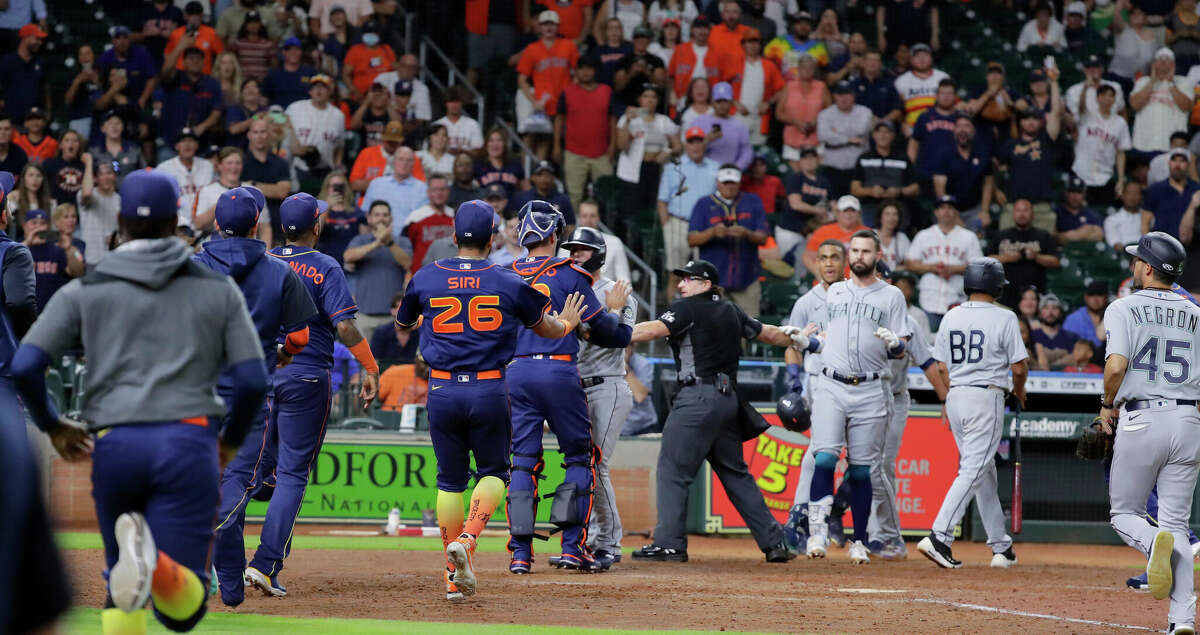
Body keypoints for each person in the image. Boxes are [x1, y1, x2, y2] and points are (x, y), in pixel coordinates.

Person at [11, 169, 269, 634]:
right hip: (189, 440)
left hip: (116, 444)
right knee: (182, 612)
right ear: (175, 223)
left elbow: (27, 364)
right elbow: (253, 381)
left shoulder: (86, 287)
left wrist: (53, 425)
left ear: (121, 225)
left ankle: (138, 562)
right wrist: (229, 444)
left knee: (120, 589)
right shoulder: (216, 287)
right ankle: (155, 564)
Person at [245, 192, 379, 597]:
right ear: (316, 226)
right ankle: (265, 564)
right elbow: (345, 326)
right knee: (291, 473)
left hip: (260, 373)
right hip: (305, 375)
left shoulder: (261, 261)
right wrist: (370, 366)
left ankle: (216, 558)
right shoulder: (324, 265)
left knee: (247, 471)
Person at [195, 187, 317, 608]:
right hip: (250, 397)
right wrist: (283, 354)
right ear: (256, 226)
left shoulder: (190, 267)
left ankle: (230, 588)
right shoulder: (280, 272)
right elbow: (300, 336)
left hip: (197, 393)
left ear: (216, 224)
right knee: (234, 486)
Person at [629, 258, 797, 563]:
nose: (681, 284)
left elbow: (653, 330)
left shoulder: (686, 308)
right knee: (736, 474)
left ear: (706, 284)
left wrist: (613, 330)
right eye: (681, 279)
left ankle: (669, 543)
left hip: (697, 398)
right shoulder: (732, 309)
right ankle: (775, 543)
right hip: (727, 401)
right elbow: (772, 335)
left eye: (688, 279)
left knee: (672, 470)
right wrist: (803, 338)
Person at [505, 202, 633, 573]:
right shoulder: (570, 274)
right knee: (579, 458)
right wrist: (616, 311)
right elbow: (610, 333)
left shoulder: (504, 274)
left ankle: (520, 555)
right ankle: (573, 547)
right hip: (559, 370)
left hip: (516, 372)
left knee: (522, 461)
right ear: (554, 235)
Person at [1099, 232, 1200, 633]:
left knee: (1125, 514)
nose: (1133, 265)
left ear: (1146, 268)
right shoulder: (1195, 311)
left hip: (1141, 417)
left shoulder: (1123, 306)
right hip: (1188, 419)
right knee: (1176, 524)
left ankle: (1153, 542)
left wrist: (1106, 404)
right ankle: (1182, 621)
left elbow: (1116, 366)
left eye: (1136, 260)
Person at [790, 230, 910, 564]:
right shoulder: (836, 292)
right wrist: (807, 343)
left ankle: (860, 540)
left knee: (860, 470)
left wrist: (895, 344)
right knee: (824, 459)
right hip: (831, 385)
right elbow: (828, 339)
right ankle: (817, 534)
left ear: (878, 255)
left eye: (865, 251)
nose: (859, 256)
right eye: (854, 251)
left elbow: (902, 346)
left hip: (871, 388)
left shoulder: (892, 296)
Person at [918, 257, 1027, 569]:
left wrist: (954, 392)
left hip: (956, 396)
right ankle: (939, 536)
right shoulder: (1005, 317)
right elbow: (1019, 368)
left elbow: (940, 366)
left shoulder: (951, 315)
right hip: (985, 396)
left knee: (982, 471)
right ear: (996, 286)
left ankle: (1001, 547)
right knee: (973, 470)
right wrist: (1019, 391)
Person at [559, 226, 637, 569]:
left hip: (609, 385)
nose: (575, 254)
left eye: (583, 249)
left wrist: (590, 323)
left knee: (596, 464)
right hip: (575, 386)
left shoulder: (617, 291)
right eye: (572, 249)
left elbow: (618, 338)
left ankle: (609, 542)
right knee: (581, 465)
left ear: (599, 254)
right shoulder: (566, 287)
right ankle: (588, 541)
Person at [780, 239, 843, 554]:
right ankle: (803, 519)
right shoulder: (806, 302)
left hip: (852, 383)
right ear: (816, 263)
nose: (829, 263)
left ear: (844, 262)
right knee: (820, 451)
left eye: (834, 257)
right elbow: (791, 345)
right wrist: (794, 380)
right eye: (823, 258)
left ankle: (816, 514)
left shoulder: (852, 296)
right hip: (817, 382)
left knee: (833, 454)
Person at [687, 164, 770, 317]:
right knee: (713, 325)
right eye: (725, 182)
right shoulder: (703, 204)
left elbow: (763, 238)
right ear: (718, 182)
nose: (729, 186)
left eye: (733, 182)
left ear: (739, 183)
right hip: (713, 280)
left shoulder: (752, 201)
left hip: (747, 277)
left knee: (750, 325)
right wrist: (712, 232)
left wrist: (747, 233)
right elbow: (692, 240)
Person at [905, 195, 984, 328]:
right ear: (936, 212)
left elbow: (979, 267)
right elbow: (910, 263)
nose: (946, 211)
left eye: (950, 208)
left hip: (958, 300)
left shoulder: (969, 237)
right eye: (942, 208)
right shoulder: (924, 235)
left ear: (956, 212)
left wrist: (953, 269)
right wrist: (933, 268)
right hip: (929, 299)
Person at [658, 127, 718, 287]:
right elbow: (662, 200)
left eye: (699, 141)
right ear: (685, 145)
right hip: (678, 224)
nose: (695, 146)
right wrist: (667, 226)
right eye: (691, 142)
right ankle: (674, 305)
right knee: (676, 276)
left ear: (705, 144)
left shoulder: (715, 168)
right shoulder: (673, 167)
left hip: (705, 228)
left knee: (705, 278)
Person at [516, 11, 580, 158]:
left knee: (559, 145)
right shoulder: (532, 49)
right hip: (542, 106)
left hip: (564, 105)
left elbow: (579, 72)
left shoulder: (568, 45)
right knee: (536, 142)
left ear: (558, 27)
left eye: (552, 24)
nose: (549, 28)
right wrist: (534, 101)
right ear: (539, 27)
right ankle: (531, 171)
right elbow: (521, 79)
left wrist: (572, 93)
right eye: (545, 24)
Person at [343, 201, 413, 334]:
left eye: (385, 215)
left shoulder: (402, 241)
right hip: (364, 314)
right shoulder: (360, 240)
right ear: (369, 218)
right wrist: (377, 243)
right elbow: (348, 256)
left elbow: (408, 263)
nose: (381, 218)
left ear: (391, 219)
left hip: (394, 315)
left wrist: (389, 242)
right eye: (377, 215)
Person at [555, 56, 615, 211]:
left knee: (606, 195)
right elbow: (559, 120)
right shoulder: (567, 92)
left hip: (602, 152)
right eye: (581, 68)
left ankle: (604, 225)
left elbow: (612, 120)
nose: (585, 72)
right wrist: (556, 146)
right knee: (574, 196)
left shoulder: (606, 91)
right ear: (576, 71)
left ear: (595, 71)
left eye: (589, 68)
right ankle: (574, 226)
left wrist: (613, 145)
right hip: (574, 152)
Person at [615, 85, 679, 225]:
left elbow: (678, 147)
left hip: (655, 169)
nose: (649, 100)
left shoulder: (664, 121)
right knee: (630, 214)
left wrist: (667, 152)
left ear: (658, 100)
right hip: (632, 171)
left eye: (653, 97)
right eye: (646, 96)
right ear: (639, 99)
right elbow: (622, 147)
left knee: (651, 211)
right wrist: (628, 121)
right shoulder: (628, 119)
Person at [990, 198, 1060, 308]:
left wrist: (1037, 257)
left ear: (1032, 213)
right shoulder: (1001, 235)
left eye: (1025, 210)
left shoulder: (1043, 235)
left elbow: (1055, 262)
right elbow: (988, 260)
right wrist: (1007, 258)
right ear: (1013, 213)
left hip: (1035, 296)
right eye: (1018, 210)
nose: (1022, 214)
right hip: (1005, 296)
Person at [1074, 84, 1132, 210]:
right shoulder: (1087, 116)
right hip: (1081, 173)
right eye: (1103, 95)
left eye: (1111, 95)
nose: (1107, 98)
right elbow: (1081, 107)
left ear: (1114, 99)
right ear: (1097, 98)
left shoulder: (1120, 123)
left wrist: (1120, 180)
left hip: (1104, 176)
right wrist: (1085, 88)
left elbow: (1121, 152)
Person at [850, 120, 918, 227]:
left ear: (893, 136)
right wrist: (871, 191)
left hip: (896, 206)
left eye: (887, 132)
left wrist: (899, 191)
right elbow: (854, 189)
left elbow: (915, 188)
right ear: (874, 135)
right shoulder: (864, 158)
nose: (883, 135)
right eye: (879, 131)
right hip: (870, 205)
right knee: (867, 232)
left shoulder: (903, 158)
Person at [933, 115, 995, 231]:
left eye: (967, 126)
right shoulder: (944, 154)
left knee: (979, 234)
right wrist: (954, 217)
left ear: (974, 131)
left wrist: (985, 211)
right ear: (954, 130)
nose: (962, 130)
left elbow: (988, 183)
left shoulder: (983, 153)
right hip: (949, 209)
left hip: (974, 209)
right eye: (959, 126)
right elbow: (940, 191)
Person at [158, 46, 225, 151]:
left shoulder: (212, 83)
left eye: (199, 59)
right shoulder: (175, 77)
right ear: (183, 62)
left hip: (200, 143)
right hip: (170, 141)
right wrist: (180, 47)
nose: (195, 61)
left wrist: (203, 126)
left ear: (204, 62)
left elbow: (217, 110)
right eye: (191, 58)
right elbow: (164, 72)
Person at [1131, 48, 1193, 157]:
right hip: (1143, 145)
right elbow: (1135, 105)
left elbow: (1186, 106)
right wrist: (1152, 82)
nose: (1163, 61)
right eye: (1160, 59)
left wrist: (1170, 83)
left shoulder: (1184, 82)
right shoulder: (1143, 81)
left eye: (1167, 59)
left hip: (1171, 148)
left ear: (1174, 64)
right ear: (1153, 64)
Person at [285, 74, 345, 186]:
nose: (318, 90)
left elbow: (340, 145)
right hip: (299, 168)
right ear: (310, 91)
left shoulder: (338, 116)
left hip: (326, 170)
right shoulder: (295, 108)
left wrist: (337, 166)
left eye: (323, 87)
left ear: (329, 91)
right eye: (315, 87)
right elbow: (283, 129)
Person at [667, 17, 736, 115]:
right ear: (692, 30)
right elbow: (670, 76)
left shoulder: (719, 53)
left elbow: (726, 81)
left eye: (705, 28)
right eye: (698, 27)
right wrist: (672, 93)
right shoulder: (680, 50)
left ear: (710, 30)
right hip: (682, 101)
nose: (702, 31)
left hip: (710, 103)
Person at [21, 208, 83, 311]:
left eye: (42, 223)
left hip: (52, 309)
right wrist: (27, 243)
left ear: (48, 227)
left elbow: (78, 271)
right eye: (34, 223)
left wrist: (69, 247)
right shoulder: (18, 247)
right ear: (24, 226)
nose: (38, 227)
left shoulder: (57, 248)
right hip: (25, 311)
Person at [732, 27, 784, 146]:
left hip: (760, 118)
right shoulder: (734, 63)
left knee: (758, 151)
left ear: (760, 45)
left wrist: (769, 103)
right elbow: (721, 86)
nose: (753, 45)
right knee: (736, 149)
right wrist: (734, 103)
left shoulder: (769, 66)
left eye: (756, 42)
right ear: (743, 44)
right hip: (738, 115)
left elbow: (782, 89)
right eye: (750, 42)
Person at [908, 78, 960, 194]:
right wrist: (911, 170)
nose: (945, 97)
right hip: (925, 174)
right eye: (942, 93)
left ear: (955, 97)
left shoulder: (960, 119)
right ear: (937, 95)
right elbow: (914, 144)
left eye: (949, 93)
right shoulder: (924, 117)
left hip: (953, 175)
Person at [776, 53, 828, 167]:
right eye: (804, 67)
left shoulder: (821, 86)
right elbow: (779, 113)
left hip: (816, 140)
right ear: (798, 69)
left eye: (810, 67)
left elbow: (830, 112)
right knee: (794, 175)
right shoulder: (789, 86)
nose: (807, 70)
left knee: (816, 175)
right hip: (792, 141)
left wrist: (816, 121)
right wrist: (796, 122)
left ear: (815, 70)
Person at [155, 128, 214, 225]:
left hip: (204, 222)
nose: (187, 144)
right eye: (183, 141)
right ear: (176, 146)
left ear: (197, 145)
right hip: (178, 224)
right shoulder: (163, 168)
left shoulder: (208, 166)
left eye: (191, 141)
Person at [801, 193, 869, 278]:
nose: (849, 214)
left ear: (859, 213)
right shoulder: (823, 231)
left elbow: (876, 259)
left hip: (860, 281)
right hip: (829, 282)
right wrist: (819, 274)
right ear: (837, 213)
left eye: (853, 210)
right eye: (845, 210)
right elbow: (807, 257)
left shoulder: (868, 233)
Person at [690, 81, 753, 170]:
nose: (722, 105)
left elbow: (746, 152)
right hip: (703, 171)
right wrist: (706, 141)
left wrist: (736, 168)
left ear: (731, 102)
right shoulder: (699, 122)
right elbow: (690, 150)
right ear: (712, 101)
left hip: (730, 172)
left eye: (725, 101)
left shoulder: (740, 126)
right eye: (718, 101)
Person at [363, 147, 428, 233]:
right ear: (394, 161)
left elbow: (424, 221)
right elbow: (365, 216)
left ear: (414, 163)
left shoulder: (423, 189)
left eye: (409, 160)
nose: (404, 163)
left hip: (409, 238)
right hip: (377, 237)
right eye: (400, 159)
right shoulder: (376, 184)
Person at [403, 174, 455, 269]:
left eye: (442, 189)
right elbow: (405, 249)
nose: (439, 193)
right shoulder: (415, 217)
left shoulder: (456, 216)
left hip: (450, 273)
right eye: (435, 189)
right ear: (428, 192)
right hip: (422, 273)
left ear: (448, 191)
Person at [893, 43, 949, 131]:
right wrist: (903, 124)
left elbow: (953, 103)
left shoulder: (943, 77)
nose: (922, 59)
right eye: (917, 56)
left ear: (931, 58)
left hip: (941, 127)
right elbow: (897, 109)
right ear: (911, 59)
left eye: (925, 55)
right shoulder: (901, 81)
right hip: (913, 130)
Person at [241, 117, 291, 214]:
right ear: (249, 135)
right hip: (249, 215)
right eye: (255, 132)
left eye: (263, 132)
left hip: (275, 216)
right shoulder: (241, 163)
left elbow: (282, 192)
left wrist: (252, 184)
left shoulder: (281, 163)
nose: (259, 137)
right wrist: (272, 189)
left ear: (269, 134)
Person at [76, 154, 120, 266]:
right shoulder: (88, 194)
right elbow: (86, 193)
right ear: (95, 178)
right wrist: (89, 162)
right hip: (90, 258)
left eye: (109, 173)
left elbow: (122, 232)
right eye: (101, 174)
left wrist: (117, 240)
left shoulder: (119, 200)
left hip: (111, 261)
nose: (106, 177)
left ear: (115, 176)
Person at [1145, 148, 1200, 236]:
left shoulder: (1197, 189)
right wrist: (1147, 243)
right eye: (1174, 160)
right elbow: (1145, 222)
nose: (1177, 165)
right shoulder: (1155, 189)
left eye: (1182, 161)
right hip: (1162, 241)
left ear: (1189, 165)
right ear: (1169, 163)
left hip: (1193, 242)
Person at [0, 23, 48, 122]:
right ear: (26, 38)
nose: (40, 43)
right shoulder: (7, 61)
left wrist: (48, 110)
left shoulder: (40, 62)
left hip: (35, 119)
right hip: (11, 119)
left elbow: (45, 88)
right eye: (37, 39)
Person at [164, 1, 225, 76]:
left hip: (204, 77)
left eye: (197, 15)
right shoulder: (176, 34)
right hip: (180, 77)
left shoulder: (211, 33)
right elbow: (167, 56)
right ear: (185, 16)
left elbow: (221, 55)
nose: (194, 18)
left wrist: (215, 73)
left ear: (201, 16)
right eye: (191, 15)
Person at [341, 27, 396, 103]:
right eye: (368, 32)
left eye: (374, 32)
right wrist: (356, 93)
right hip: (362, 96)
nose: (371, 35)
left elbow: (395, 70)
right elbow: (346, 75)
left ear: (378, 34)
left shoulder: (386, 49)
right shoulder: (355, 50)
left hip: (385, 95)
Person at [264, 37, 319, 108]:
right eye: (289, 49)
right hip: (279, 113)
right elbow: (264, 98)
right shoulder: (273, 75)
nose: (293, 52)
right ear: (284, 52)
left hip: (305, 113)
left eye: (297, 49)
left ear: (301, 52)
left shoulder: (310, 73)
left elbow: (319, 95)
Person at [1033, 293, 1078, 369]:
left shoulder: (1071, 337)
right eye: (1046, 308)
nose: (1050, 312)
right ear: (1040, 313)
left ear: (1060, 312)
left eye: (1054, 308)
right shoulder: (1032, 336)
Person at [1055, 176, 1105, 244]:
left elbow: (1099, 235)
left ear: (1084, 194)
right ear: (1066, 193)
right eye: (1072, 191)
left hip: (1087, 250)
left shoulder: (1092, 215)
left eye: (1079, 192)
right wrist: (1084, 232)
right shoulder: (1056, 212)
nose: (1075, 196)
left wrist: (1070, 235)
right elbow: (1055, 238)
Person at [1063, 279, 1110, 348]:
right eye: (1091, 295)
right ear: (1085, 297)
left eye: (1099, 294)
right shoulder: (1073, 319)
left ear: (1106, 297)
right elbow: (1067, 346)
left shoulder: (1114, 316)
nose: (1095, 299)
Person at [1107, 181, 1148, 252]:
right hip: (1123, 254)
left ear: (1141, 196)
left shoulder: (1149, 217)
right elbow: (1115, 244)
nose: (1133, 197)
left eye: (1136, 193)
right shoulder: (1111, 220)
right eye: (1129, 193)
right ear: (1122, 195)